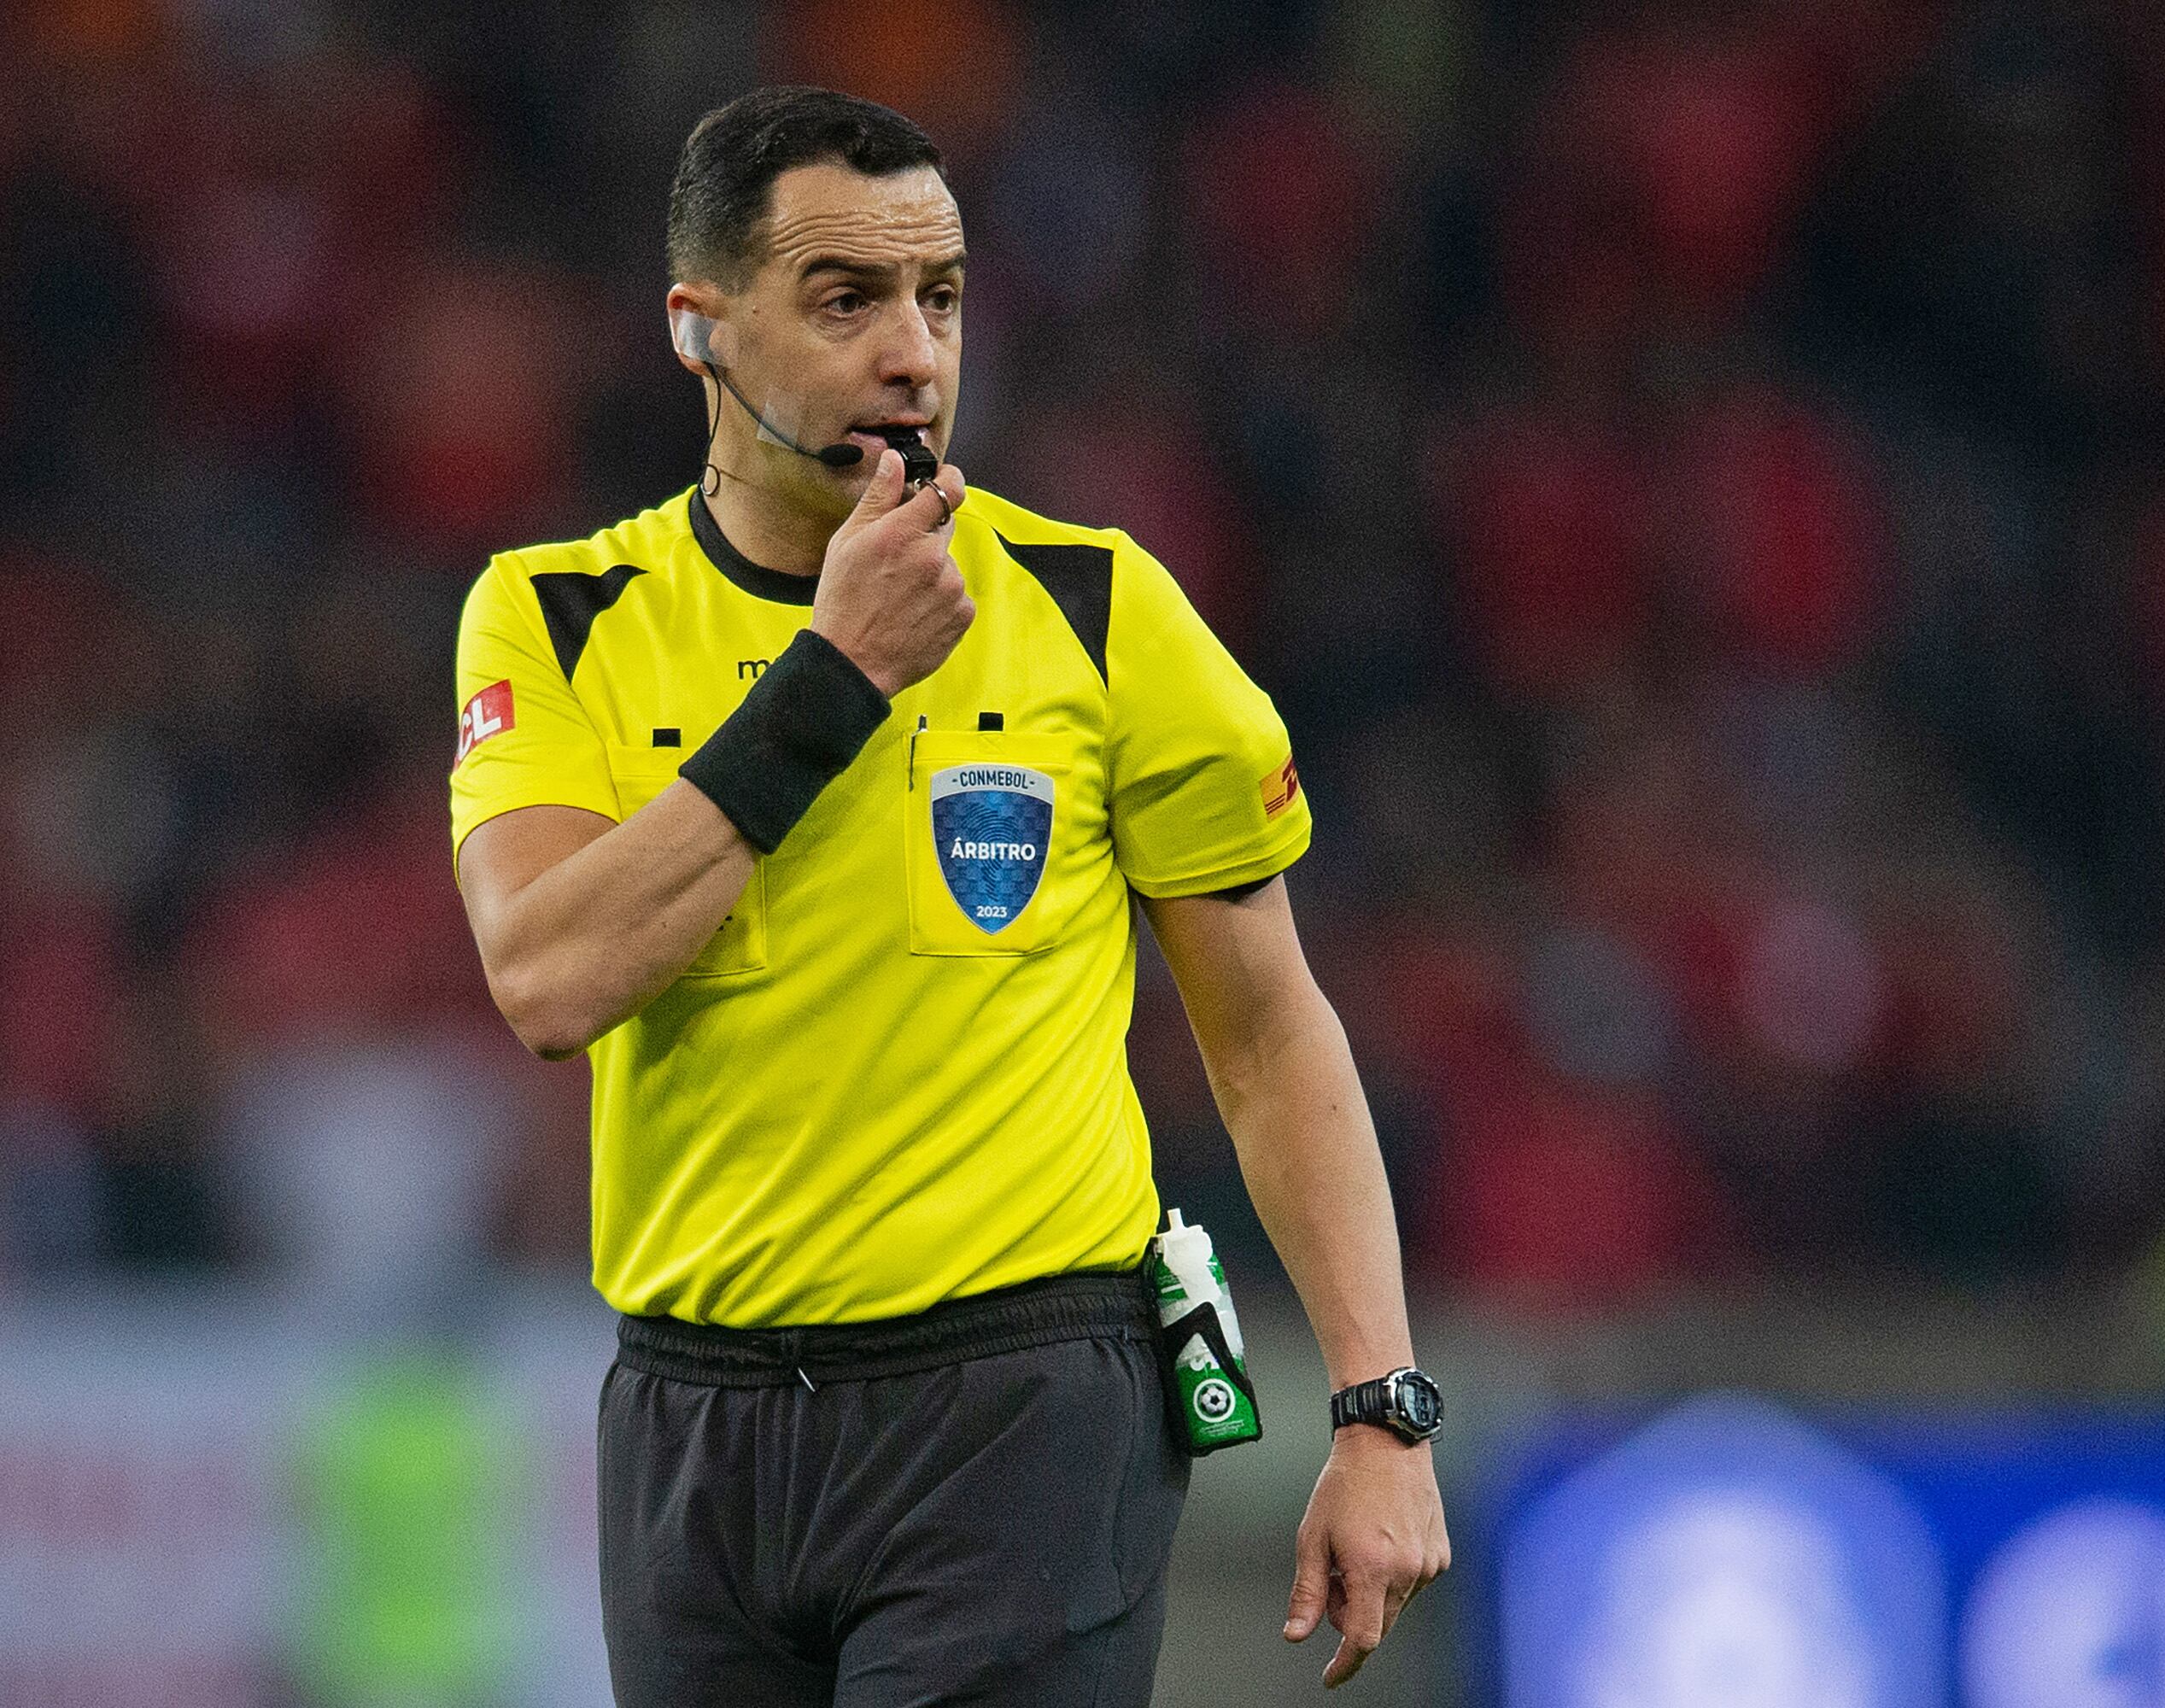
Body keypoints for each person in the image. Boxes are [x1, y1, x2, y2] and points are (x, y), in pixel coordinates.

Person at [447, 85, 1448, 1705]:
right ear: (699, 331)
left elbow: (1269, 1037)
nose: (913, 352)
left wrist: (1380, 1408)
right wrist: (834, 676)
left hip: (1024, 1403)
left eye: (943, 296)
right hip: (693, 1425)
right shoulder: (557, 619)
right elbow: (550, 981)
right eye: (846, 300)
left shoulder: (1097, 609)